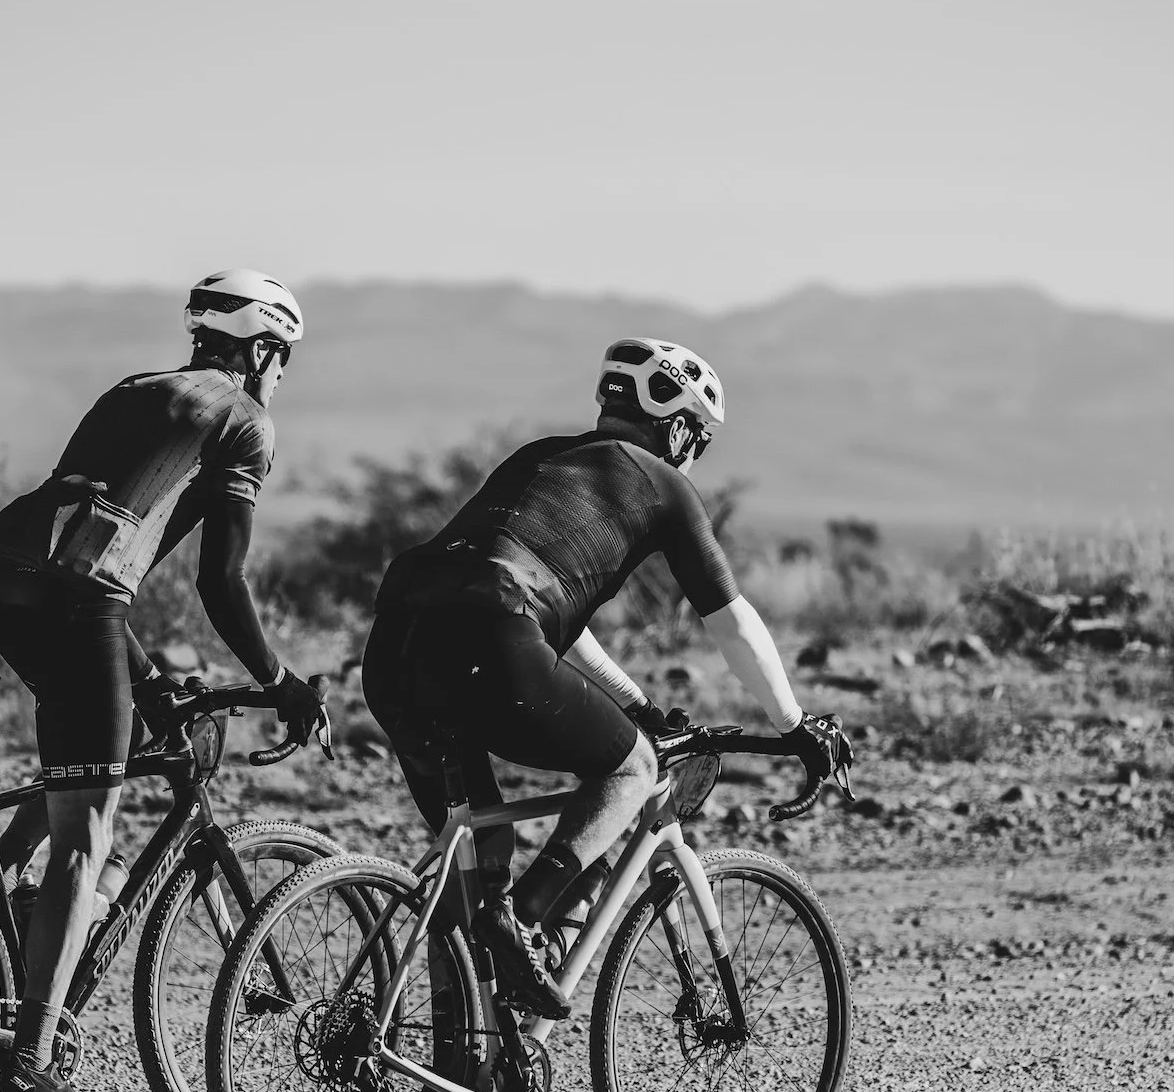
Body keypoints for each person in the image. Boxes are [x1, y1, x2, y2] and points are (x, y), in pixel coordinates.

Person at [362, 336, 845, 1028]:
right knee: (633, 767)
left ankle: (459, 1066)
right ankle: (526, 920)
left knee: (473, 859)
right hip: (491, 637)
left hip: (395, 649)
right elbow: (731, 622)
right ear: (677, 426)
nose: (695, 453)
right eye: (699, 437)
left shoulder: (539, 457)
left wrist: (637, 703)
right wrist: (795, 724)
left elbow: (541, 611)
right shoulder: (663, 484)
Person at [0, 267, 325, 1092]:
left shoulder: (136, 389)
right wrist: (279, 679)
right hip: (82, 605)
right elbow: (222, 581)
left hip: (8, 588)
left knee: (98, 754)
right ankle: (32, 1056)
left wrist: (154, 680)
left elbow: (82, 540)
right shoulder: (244, 420)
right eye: (283, 358)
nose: (281, 375)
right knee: (87, 836)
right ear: (264, 351)